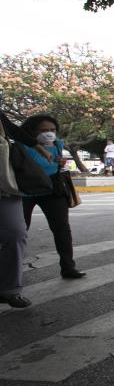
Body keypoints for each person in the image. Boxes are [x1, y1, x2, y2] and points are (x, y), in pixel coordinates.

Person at [19, 114, 84, 280]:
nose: (49, 133)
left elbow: (54, 164)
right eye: (43, 130)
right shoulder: (22, 146)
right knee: (19, 232)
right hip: (25, 192)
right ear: (32, 131)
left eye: (52, 130)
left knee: (62, 229)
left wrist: (59, 160)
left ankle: (68, 267)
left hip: (52, 191)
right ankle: (13, 270)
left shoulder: (58, 144)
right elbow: (32, 163)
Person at [0, 112, 36, 308]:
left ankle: (10, 289)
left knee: (16, 234)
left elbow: (16, 132)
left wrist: (38, 146)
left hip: (6, 187)